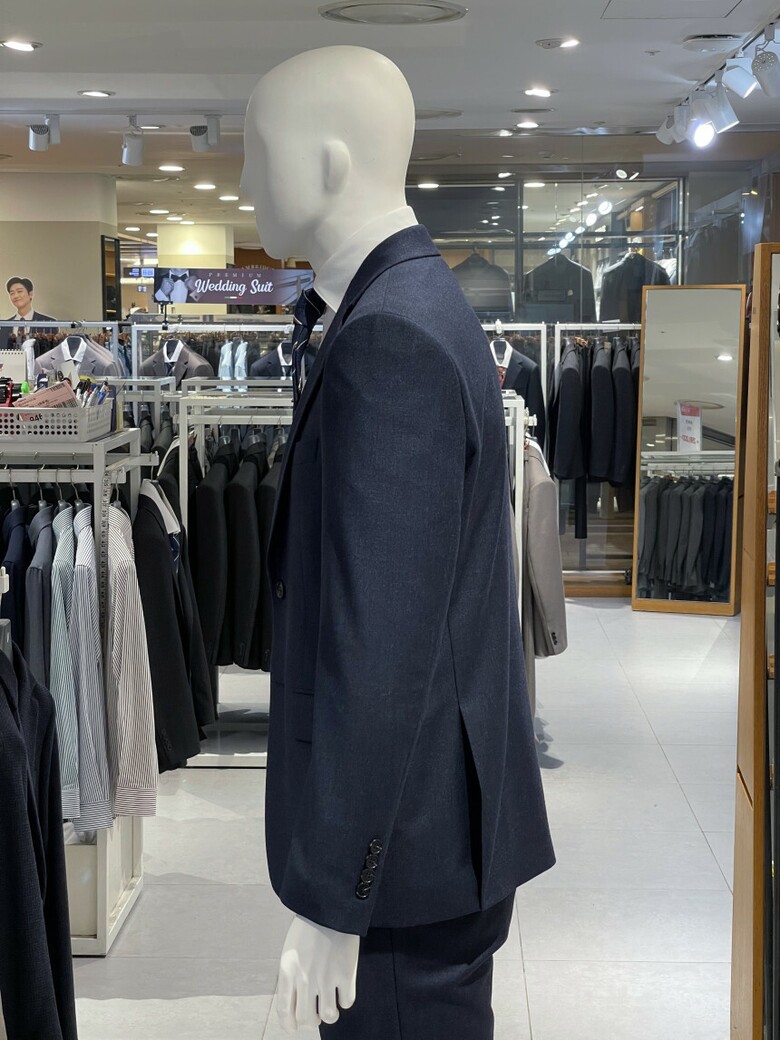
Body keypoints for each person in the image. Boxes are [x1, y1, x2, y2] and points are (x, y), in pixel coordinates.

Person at [1, 277, 56, 348]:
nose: (16, 296)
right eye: (12, 293)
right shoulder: (4, 327)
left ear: (30, 294)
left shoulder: (49, 323)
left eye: (19, 291)